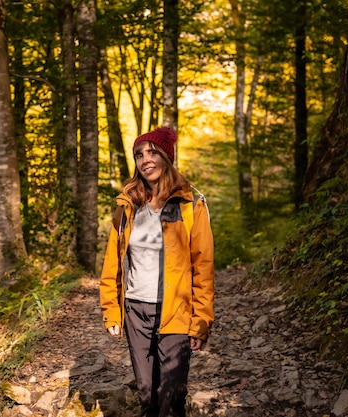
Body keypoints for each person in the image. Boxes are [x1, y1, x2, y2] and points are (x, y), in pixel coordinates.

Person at [99, 126, 214, 417]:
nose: (145, 160)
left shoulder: (191, 206)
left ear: (166, 156)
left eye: (152, 152)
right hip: (136, 311)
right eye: (139, 155)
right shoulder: (127, 206)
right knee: (147, 394)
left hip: (176, 309)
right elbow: (112, 262)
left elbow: (203, 268)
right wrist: (112, 310)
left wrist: (201, 321)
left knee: (172, 396)